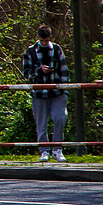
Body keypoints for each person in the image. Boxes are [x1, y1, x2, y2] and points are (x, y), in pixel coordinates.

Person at [21, 24, 69, 162]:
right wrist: (39, 71)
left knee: (60, 118)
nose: (44, 43)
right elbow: (26, 73)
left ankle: (57, 149)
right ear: (38, 38)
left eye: (46, 41)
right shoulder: (30, 52)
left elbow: (64, 70)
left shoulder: (57, 49)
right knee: (41, 123)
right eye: (41, 41)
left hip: (57, 93)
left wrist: (64, 90)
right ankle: (44, 150)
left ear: (50, 38)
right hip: (39, 93)